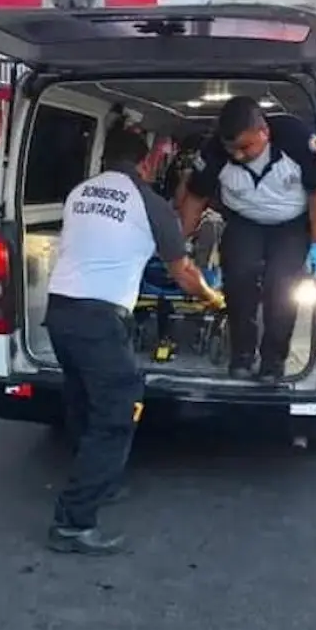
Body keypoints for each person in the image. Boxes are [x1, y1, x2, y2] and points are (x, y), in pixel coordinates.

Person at [46, 127, 223, 555]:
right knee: (117, 411)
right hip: (99, 318)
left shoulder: (79, 192)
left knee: (83, 402)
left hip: (60, 311)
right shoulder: (150, 202)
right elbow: (181, 270)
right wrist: (212, 297)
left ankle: (97, 484)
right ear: (147, 163)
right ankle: (73, 522)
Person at [178, 96, 316, 383]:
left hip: (291, 225)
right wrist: (179, 247)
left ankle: (273, 363)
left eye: (244, 147)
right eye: (231, 149)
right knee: (238, 280)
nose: (237, 155)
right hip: (244, 221)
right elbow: (195, 199)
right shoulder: (214, 153)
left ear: (264, 132)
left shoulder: (297, 139)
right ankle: (242, 356)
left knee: (282, 289)